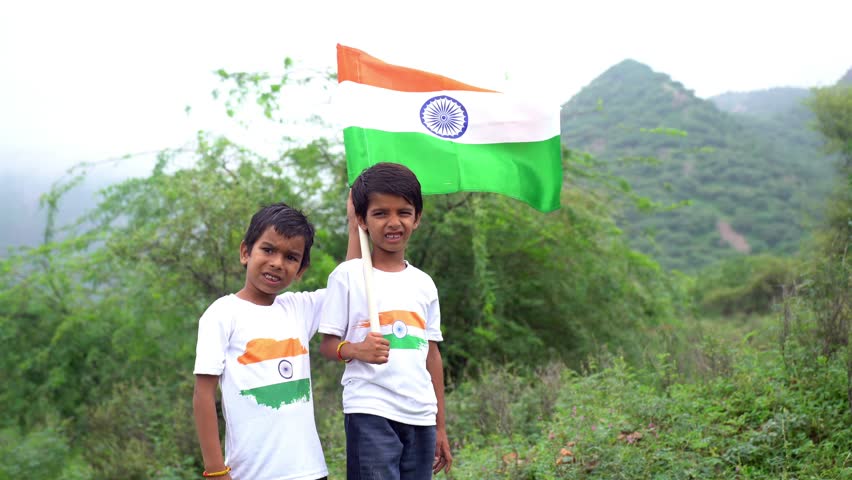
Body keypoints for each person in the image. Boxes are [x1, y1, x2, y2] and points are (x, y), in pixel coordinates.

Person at [193, 199, 358, 480]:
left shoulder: (299, 309)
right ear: (246, 251)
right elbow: (203, 395)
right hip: (252, 473)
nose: (277, 263)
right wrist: (215, 470)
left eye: (291, 257)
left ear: (301, 269)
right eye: (268, 250)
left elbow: (349, 280)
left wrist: (355, 226)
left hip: (310, 471)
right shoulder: (222, 314)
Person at [318, 162, 453, 479]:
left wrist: (440, 425)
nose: (394, 222)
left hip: (421, 416)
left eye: (404, 212)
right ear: (362, 220)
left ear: (417, 218)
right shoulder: (348, 276)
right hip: (370, 410)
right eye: (380, 213)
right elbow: (326, 347)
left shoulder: (424, 283)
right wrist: (356, 350)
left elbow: (432, 355)